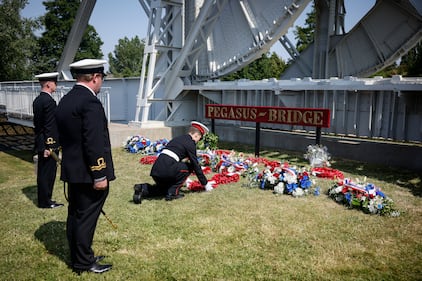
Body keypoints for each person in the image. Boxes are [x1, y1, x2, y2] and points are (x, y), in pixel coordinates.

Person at [55, 59, 115, 274]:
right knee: (86, 218)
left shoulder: (66, 100)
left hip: (73, 170)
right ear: (96, 77)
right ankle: (83, 262)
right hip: (89, 173)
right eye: (102, 78)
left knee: (76, 215)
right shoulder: (90, 103)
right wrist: (99, 174)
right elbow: (94, 142)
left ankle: (80, 256)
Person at [133, 121, 212, 204]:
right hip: (167, 170)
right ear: (196, 135)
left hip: (156, 170)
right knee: (190, 166)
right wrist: (205, 184)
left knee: (162, 190)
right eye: (199, 138)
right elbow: (195, 165)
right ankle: (173, 193)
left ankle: (142, 188)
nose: (198, 141)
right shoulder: (190, 143)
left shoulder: (177, 139)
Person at [32, 72, 63, 209]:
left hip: (42, 142)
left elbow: (38, 126)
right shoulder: (49, 102)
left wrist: (41, 144)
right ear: (49, 84)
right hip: (48, 145)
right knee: (47, 173)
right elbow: (49, 126)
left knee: (43, 173)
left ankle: (44, 199)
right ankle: (46, 201)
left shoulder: (38, 100)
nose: (56, 85)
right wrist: (49, 147)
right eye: (55, 83)